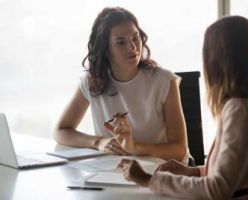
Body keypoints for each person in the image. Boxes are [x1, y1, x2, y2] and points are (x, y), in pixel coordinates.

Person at [117, 16, 248, 200]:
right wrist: (193, 172)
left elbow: (217, 190)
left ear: (215, 62)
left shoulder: (239, 109)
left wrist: (149, 180)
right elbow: (239, 172)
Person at [54, 7, 189, 163]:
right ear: (105, 49)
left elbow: (180, 150)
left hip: (160, 171)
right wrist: (98, 142)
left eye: (135, 38)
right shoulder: (92, 81)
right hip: (114, 170)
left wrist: (135, 148)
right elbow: (61, 131)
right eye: (120, 42)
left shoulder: (164, 80)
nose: (132, 47)